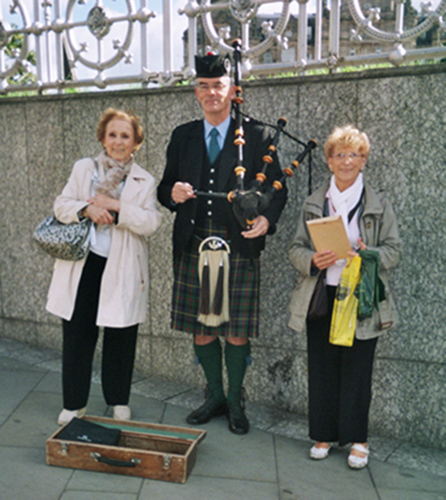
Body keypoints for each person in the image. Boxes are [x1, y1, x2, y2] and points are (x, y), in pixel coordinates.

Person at [157, 54, 287, 435]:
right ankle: (213, 395)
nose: (211, 93)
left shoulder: (258, 135)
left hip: (237, 246)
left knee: (235, 330)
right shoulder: (183, 136)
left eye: (218, 85)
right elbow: (164, 188)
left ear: (232, 90)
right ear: (195, 92)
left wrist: (267, 219)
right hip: (197, 245)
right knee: (204, 327)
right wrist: (173, 193)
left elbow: (279, 190)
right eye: (204, 86)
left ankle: (234, 400)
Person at [288, 125, 401, 468]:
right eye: (339, 154)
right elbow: (295, 248)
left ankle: (358, 441)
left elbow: (394, 251)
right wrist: (312, 260)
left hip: (360, 295)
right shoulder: (314, 201)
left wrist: (370, 255)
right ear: (329, 160)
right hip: (322, 293)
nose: (347, 161)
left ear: (363, 160)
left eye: (354, 154)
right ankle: (323, 434)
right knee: (322, 367)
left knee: (357, 370)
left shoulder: (378, 203)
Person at [46, 108, 162, 425]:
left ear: (136, 142)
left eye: (125, 136)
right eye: (112, 134)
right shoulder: (85, 169)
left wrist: (117, 207)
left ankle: (118, 401)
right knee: (78, 335)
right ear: (102, 138)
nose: (118, 141)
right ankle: (73, 405)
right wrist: (87, 209)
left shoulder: (144, 180)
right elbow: (61, 204)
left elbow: (152, 222)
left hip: (123, 267)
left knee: (121, 335)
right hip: (84, 265)